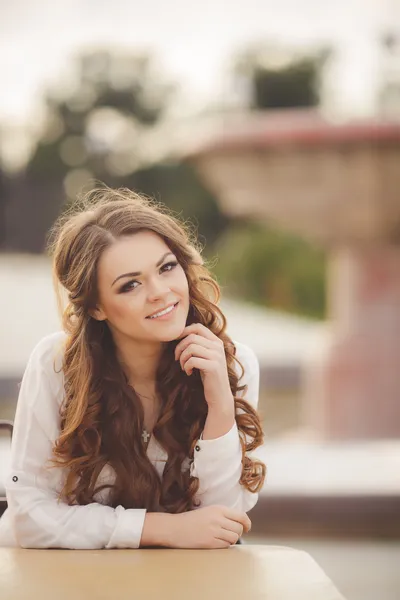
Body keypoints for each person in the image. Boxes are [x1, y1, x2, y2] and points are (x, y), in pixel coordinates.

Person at [0, 187, 266, 550]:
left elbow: (222, 524)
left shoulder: (232, 364)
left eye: (167, 267)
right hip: (70, 581)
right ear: (97, 308)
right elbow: (28, 517)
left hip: (185, 581)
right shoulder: (56, 365)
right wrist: (161, 529)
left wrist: (219, 405)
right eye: (130, 285)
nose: (160, 291)